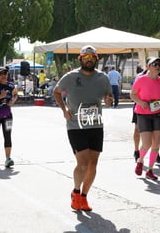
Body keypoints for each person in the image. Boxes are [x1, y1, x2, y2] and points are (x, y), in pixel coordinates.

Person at [53, 45, 113, 212]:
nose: (89, 59)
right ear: (80, 59)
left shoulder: (103, 78)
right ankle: (76, 191)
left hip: (96, 125)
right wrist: (64, 110)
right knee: (83, 163)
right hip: (75, 125)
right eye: (85, 57)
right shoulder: (71, 77)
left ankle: (84, 197)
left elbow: (109, 96)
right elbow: (57, 92)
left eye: (92, 57)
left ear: (96, 59)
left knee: (93, 163)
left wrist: (109, 100)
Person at [131, 57, 160, 180]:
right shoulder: (141, 80)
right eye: (154, 64)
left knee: (156, 144)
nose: (157, 66)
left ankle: (150, 170)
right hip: (143, 114)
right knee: (146, 144)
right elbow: (133, 95)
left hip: (157, 114)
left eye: (159, 64)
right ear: (148, 66)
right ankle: (140, 160)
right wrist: (141, 102)